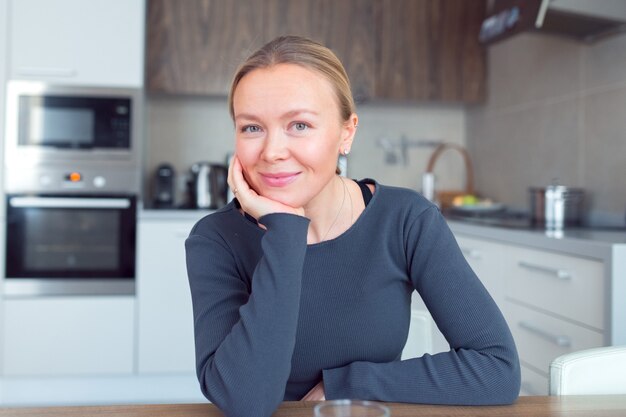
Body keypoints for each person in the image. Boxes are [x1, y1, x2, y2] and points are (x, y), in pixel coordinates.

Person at [185, 35, 520, 417]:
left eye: (299, 125)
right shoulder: (215, 239)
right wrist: (285, 233)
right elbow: (245, 402)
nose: (272, 151)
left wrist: (345, 384)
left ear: (347, 133)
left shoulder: (407, 220)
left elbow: (497, 369)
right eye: (251, 128)